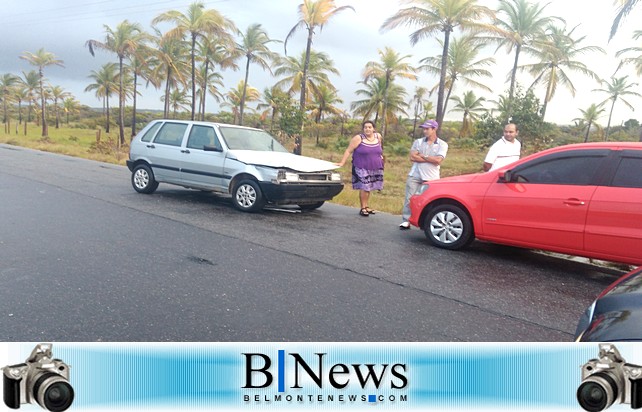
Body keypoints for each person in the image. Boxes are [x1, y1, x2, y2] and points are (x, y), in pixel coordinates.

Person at [399, 120, 448, 229]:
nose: (425, 131)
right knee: (410, 198)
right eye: (424, 129)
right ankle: (407, 220)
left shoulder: (442, 144)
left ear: (434, 129)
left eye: (427, 129)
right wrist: (430, 158)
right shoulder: (418, 142)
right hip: (415, 174)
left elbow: (438, 160)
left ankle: (428, 222)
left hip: (432, 177)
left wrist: (423, 156)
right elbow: (412, 157)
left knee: (430, 200)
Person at [336, 120, 384, 216]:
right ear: (363, 129)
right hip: (361, 166)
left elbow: (379, 148)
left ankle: (366, 206)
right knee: (365, 186)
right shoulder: (358, 138)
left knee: (369, 187)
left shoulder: (378, 136)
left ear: (373, 128)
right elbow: (349, 150)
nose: (367, 129)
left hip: (375, 167)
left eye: (370, 127)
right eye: (365, 127)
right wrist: (342, 162)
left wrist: (381, 157)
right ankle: (363, 208)